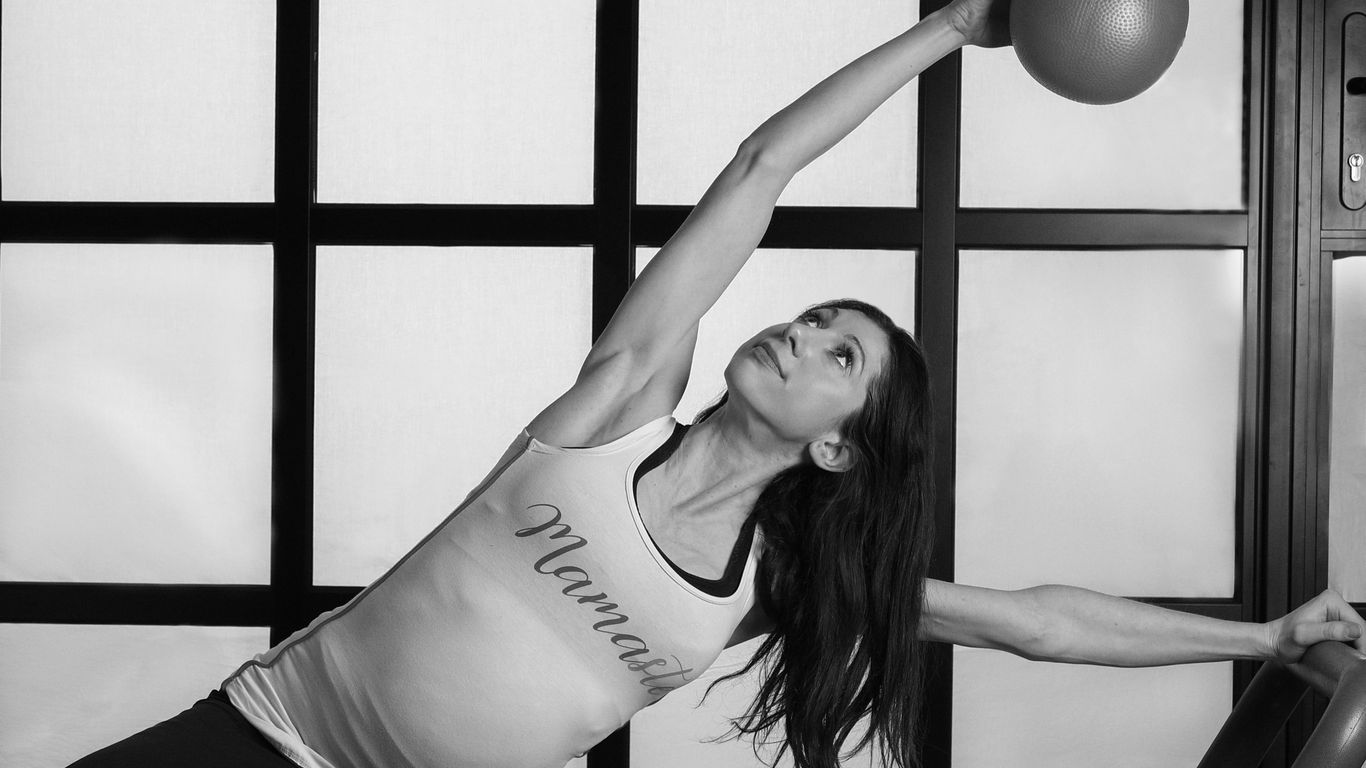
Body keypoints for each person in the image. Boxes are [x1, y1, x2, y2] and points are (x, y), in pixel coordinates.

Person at [70, 2, 1365, 768]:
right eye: (809, 320)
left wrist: (1257, 640)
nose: (797, 339)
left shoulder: (784, 577)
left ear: (842, 450)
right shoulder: (614, 408)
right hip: (257, 747)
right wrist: (946, 30)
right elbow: (757, 168)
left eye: (836, 355)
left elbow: (1034, 622)